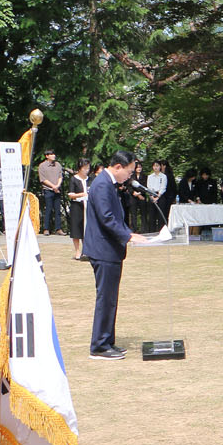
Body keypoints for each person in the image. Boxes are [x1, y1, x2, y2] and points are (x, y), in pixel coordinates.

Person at [83, 150, 149, 360]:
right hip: (104, 249)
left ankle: (107, 340)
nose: (130, 177)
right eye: (129, 172)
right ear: (118, 167)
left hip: (110, 249)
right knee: (106, 298)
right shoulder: (102, 184)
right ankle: (99, 346)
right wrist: (129, 237)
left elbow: (115, 217)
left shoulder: (108, 183)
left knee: (111, 298)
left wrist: (129, 233)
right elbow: (107, 218)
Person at [39, 150, 66, 235]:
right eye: (51, 154)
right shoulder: (42, 166)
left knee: (58, 210)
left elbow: (60, 177)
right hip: (48, 190)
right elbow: (43, 179)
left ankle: (58, 229)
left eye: (54, 154)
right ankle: (46, 229)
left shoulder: (58, 165)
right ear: (47, 156)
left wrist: (57, 185)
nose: (53, 155)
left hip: (57, 190)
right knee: (48, 209)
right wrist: (53, 186)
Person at [68, 158, 90, 261]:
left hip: (88, 206)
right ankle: (77, 251)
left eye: (88, 168)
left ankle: (87, 251)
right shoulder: (74, 179)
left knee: (87, 228)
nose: (87, 170)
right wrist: (81, 194)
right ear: (80, 168)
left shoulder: (90, 179)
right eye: (85, 168)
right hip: (77, 206)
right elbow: (71, 195)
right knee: (76, 228)